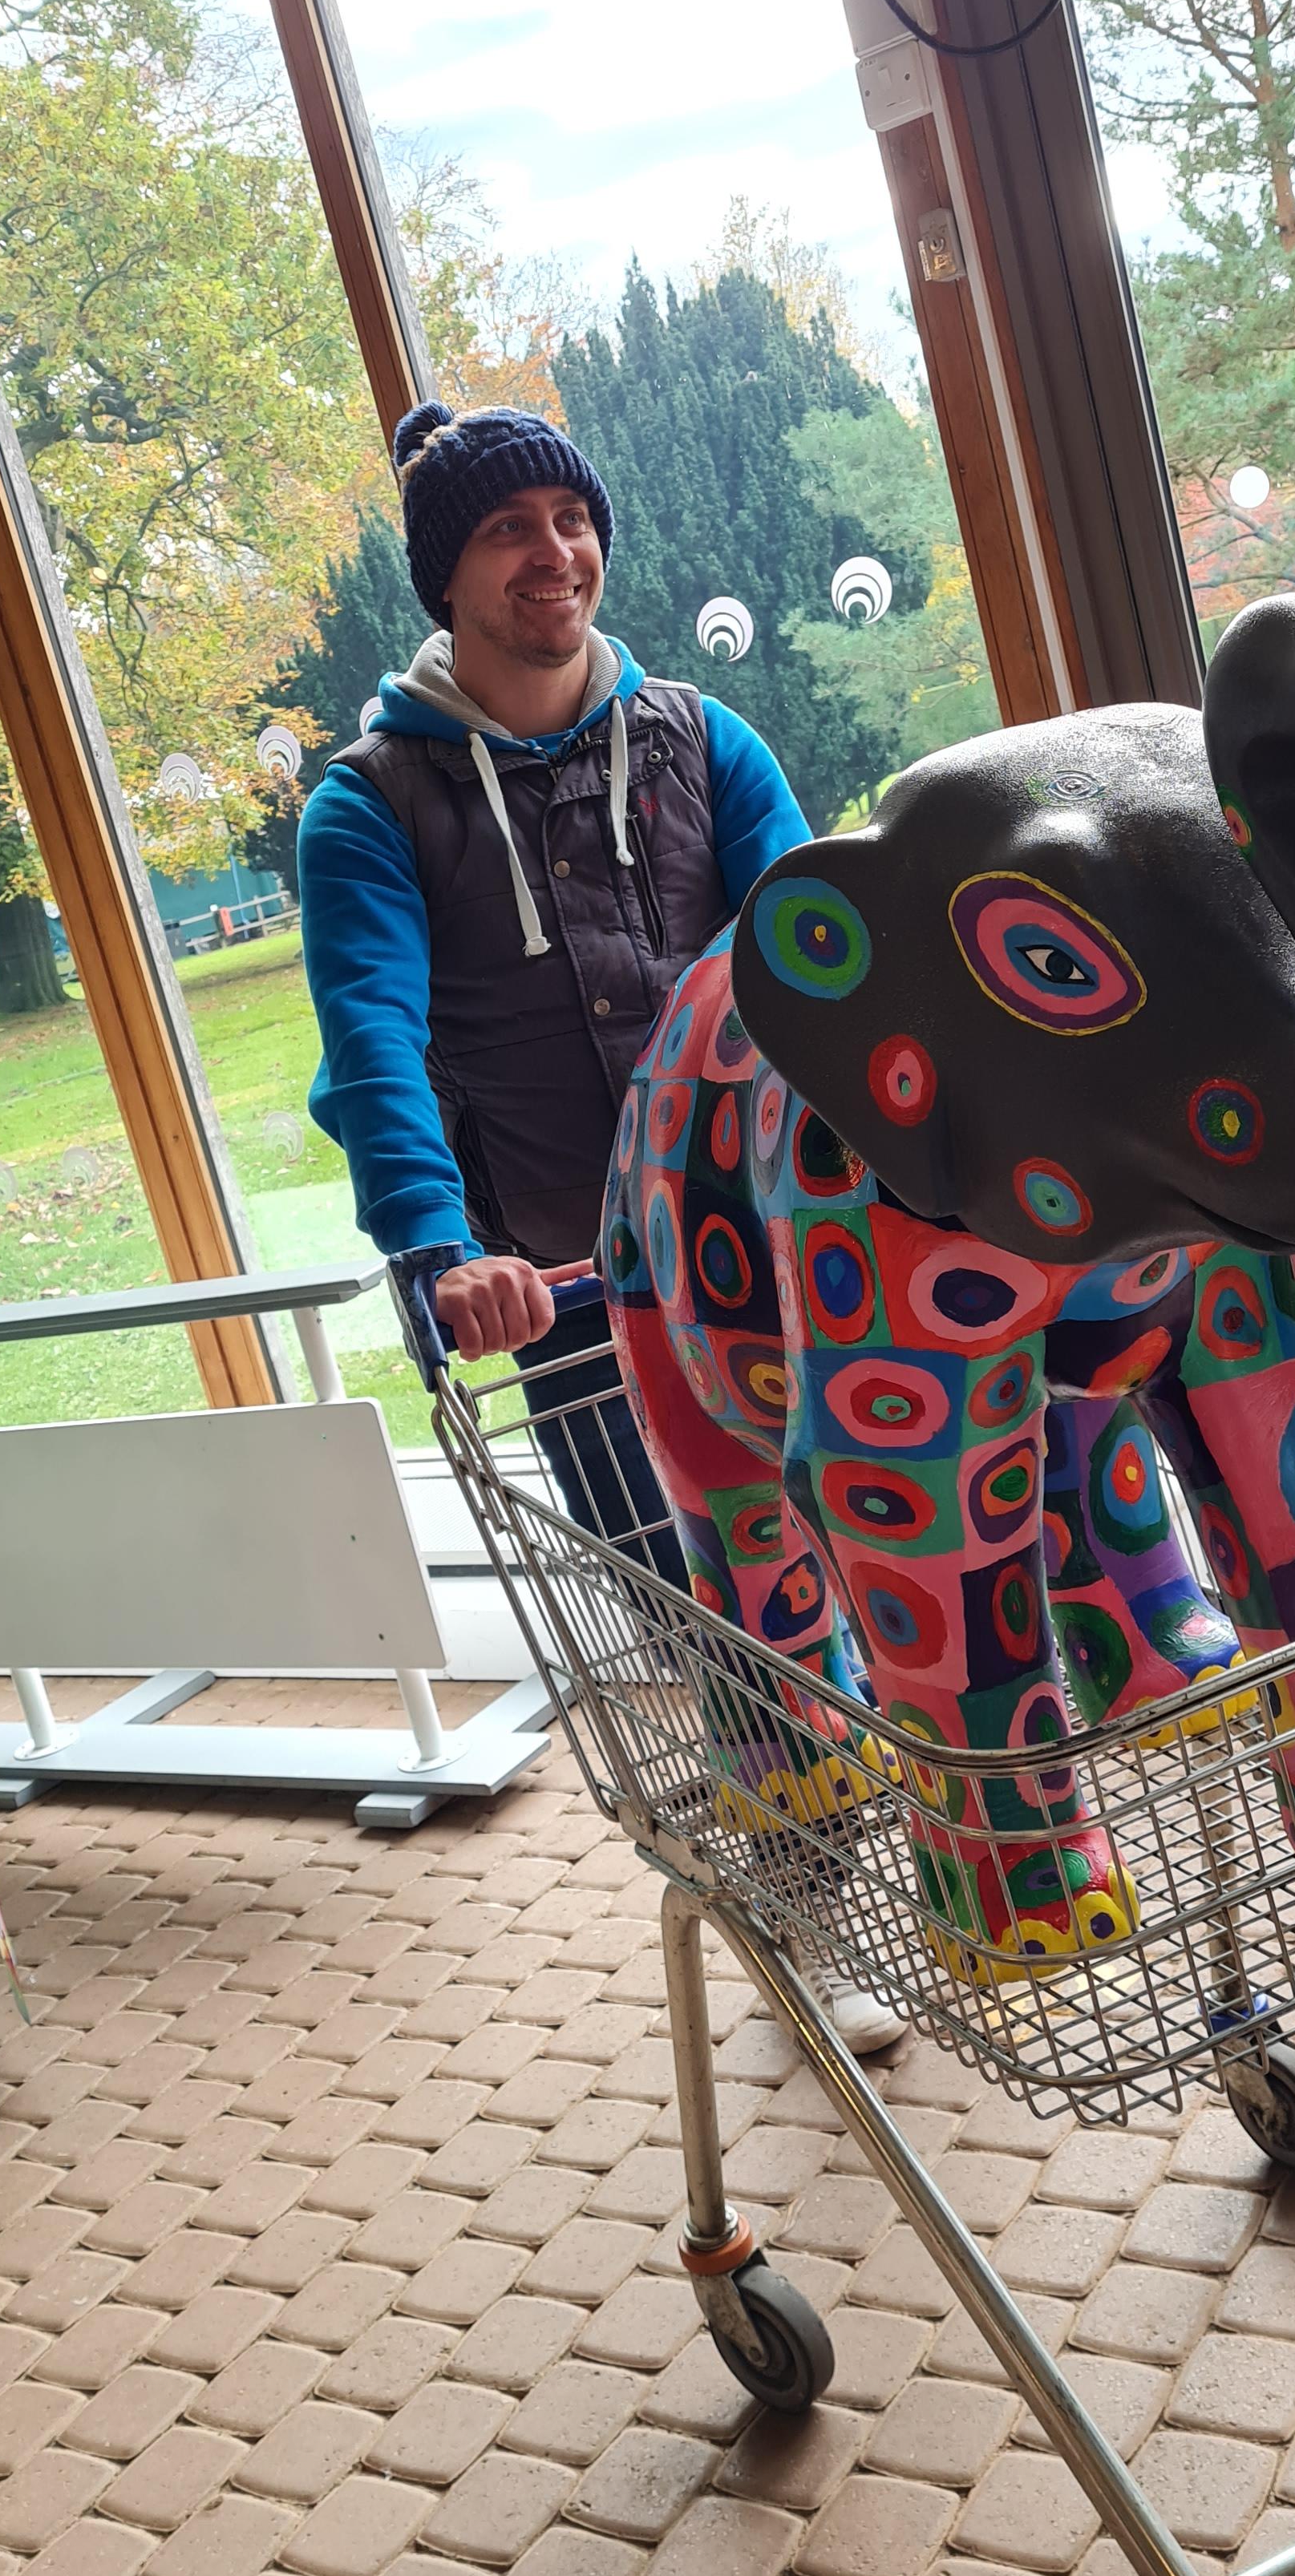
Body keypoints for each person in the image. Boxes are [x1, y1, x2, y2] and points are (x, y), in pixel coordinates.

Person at [301, 399, 906, 2052]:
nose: (552, 554)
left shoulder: (707, 744)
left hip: (781, 1249)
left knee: (879, 1556)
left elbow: (814, 963)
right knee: (729, 1612)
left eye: (571, 520)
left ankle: (914, 1843)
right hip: (579, 1299)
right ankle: (813, 1907)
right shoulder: (371, 806)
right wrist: (442, 1257)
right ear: (445, 578)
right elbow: (374, 1046)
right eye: (509, 531)